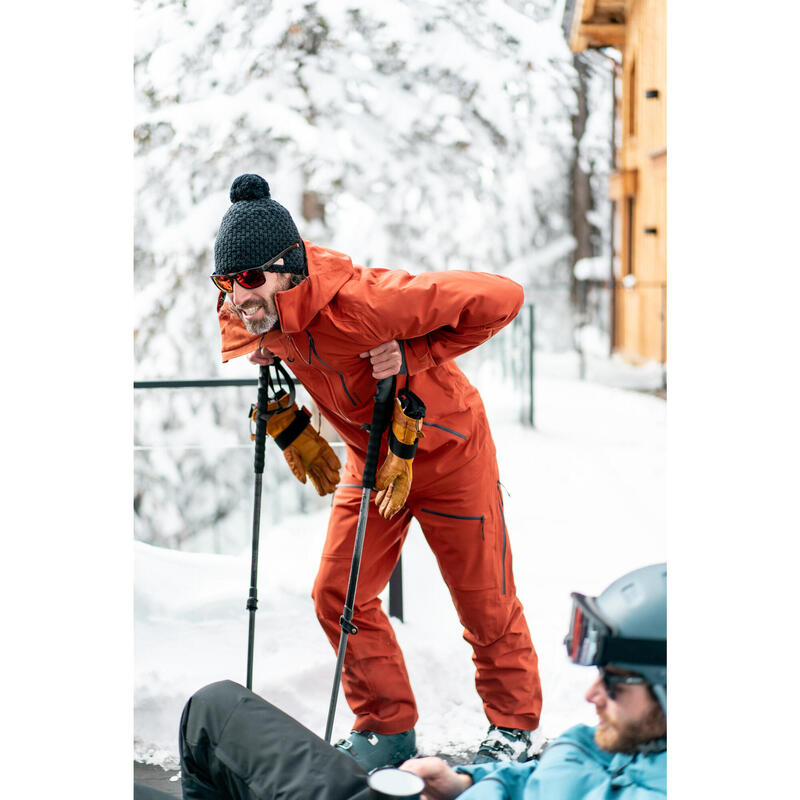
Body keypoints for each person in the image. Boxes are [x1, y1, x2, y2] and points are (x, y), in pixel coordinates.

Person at [210, 173, 544, 769]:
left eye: (251, 280)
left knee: (483, 602)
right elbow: (240, 318)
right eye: (226, 282)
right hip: (372, 462)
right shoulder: (252, 304)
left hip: (448, 455)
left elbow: (504, 294)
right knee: (337, 594)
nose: (238, 296)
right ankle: (386, 728)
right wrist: (259, 346)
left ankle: (512, 727)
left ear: (290, 267)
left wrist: (416, 352)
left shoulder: (371, 300)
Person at [167, 562, 666, 800]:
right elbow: (533, 779)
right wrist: (464, 781)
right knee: (214, 710)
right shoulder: (617, 739)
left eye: (618, 682)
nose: (592, 695)